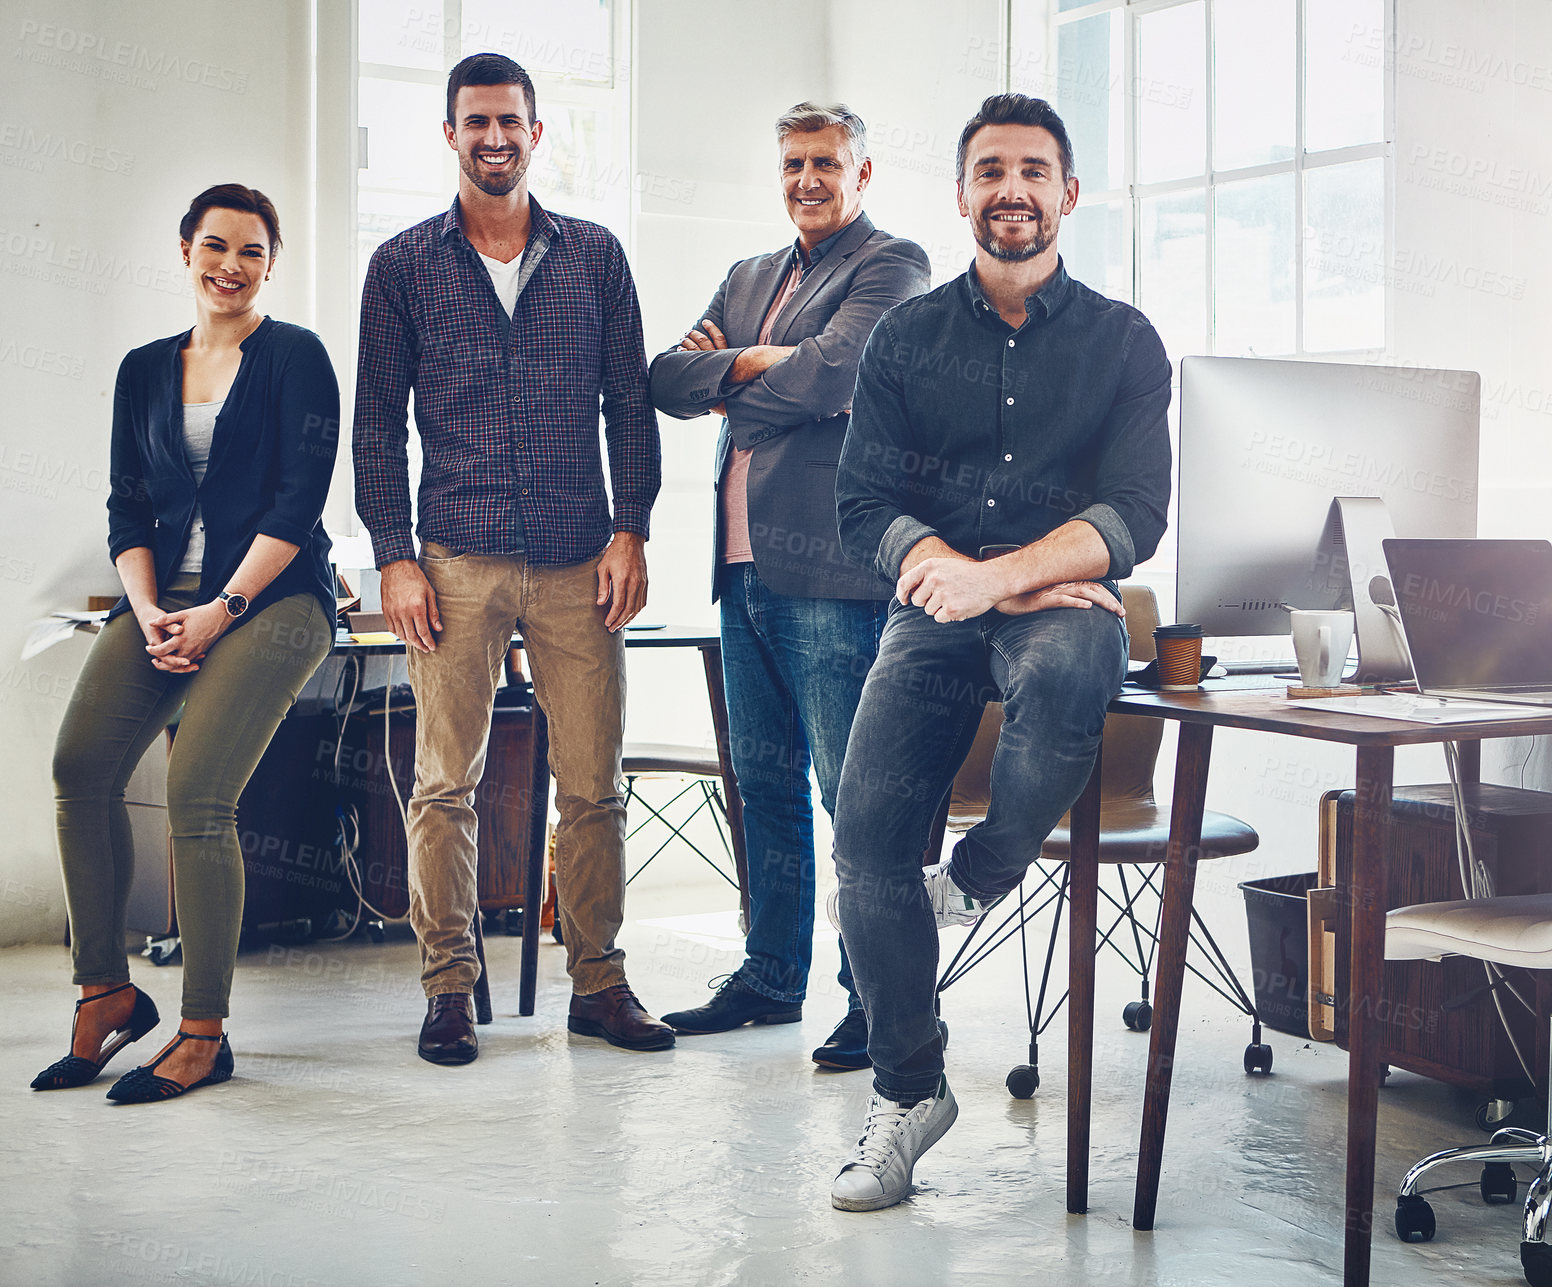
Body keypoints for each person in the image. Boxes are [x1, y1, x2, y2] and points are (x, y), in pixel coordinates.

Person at [826, 94, 1173, 1209]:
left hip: (1053, 605)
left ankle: (972, 881)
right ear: (963, 191)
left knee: (1082, 658)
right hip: (933, 606)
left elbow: (1133, 511)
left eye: (1034, 170)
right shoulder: (904, 337)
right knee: (866, 840)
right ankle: (908, 1095)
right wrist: (947, 569)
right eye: (989, 170)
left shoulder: (1124, 341)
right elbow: (861, 501)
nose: (1011, 189)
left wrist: (1008, 575)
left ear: (1068, 194)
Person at [353, 53, 668, 1065]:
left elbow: (630, 403)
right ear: (450, 134)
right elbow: (374, 431)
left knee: (594, 784)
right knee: (444, 782)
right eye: (476, 121)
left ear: (537, 134)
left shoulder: (595, 257)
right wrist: (395, 558)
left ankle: (599, 984)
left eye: (511, 122)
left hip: (582, 558)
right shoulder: (402, 266)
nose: (495, 137)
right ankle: (449, 988)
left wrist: (634, 528)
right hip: (454, 561)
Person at [39, 184, 339, 1102]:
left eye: (251, 252)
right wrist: (148, 606)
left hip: (278, 599)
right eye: (215, 246)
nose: (230, 266)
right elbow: (127, 503)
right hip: (159, 597)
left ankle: (203, 1030)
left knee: (198, 794)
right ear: (184, 251)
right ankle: (104, 994)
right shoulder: (143, 369)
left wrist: (222, 611)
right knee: (79, 767)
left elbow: (298, 504)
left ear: (271, 264)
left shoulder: (295, 358)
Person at [649, 103, 929, 1068]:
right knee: (761, 784)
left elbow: (831, 380)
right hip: (738, 570)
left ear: (861, 172)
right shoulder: (749, 275)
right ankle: (772, 975)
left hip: (831, 570)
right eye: (792, 163)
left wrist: (733, 374)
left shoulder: (893, 266)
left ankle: (878, 999)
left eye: (825, 163)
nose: (806, 178)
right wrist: (758, 366)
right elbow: (663, 379)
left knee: (850, 795)